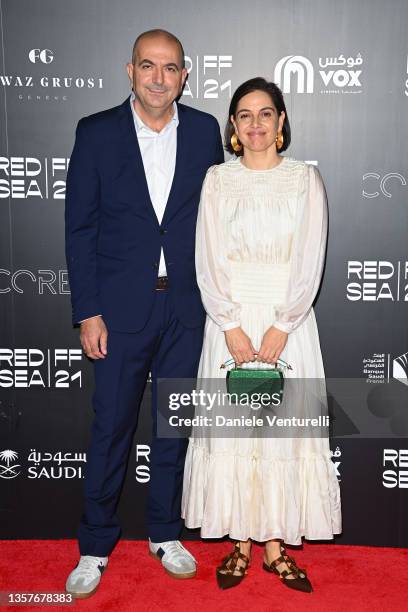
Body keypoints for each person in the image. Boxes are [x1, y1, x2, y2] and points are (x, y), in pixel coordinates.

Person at [64, 29, 224, 598]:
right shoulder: (97, 133)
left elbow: (217, 221)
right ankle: (95, 545)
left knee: (174, 428)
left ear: (186, 75)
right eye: (149, 66)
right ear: (130, 71)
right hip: (119, 312)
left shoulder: (206, 132)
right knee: (111, 428)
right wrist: (89, 311)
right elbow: (80, 228)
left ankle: (164, 532)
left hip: (187, 309)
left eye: (171, 68)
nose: (160, 78)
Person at [181, 77, 342, 592]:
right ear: (233, 127)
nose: (255, 124)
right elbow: (206, 259)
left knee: (280, 434)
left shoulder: (304, 180)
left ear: (281, 123)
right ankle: (240, 544)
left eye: (265, 113)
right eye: (244, 115)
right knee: (232, 431)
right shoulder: (216, 181)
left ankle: (275, 546)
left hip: (287, 325)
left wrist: (282, 325)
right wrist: (229, 324)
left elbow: (309, 260)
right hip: (227, 325)